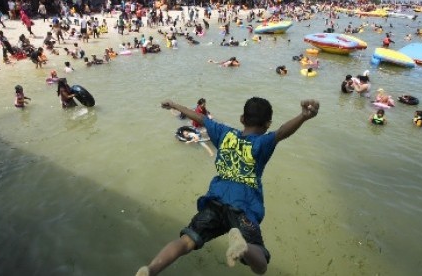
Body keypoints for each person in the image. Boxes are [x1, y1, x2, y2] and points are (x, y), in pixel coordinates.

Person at [135, 97, 320, 276]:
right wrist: (304, 115)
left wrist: (173, 104)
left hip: (215, 200)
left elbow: (200, 118)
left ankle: (151, 269)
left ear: (242, 119)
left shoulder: (224, 133)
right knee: (261, 264)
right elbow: (282, 132)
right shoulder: (263, 143)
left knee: (186, 241)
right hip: (243, 206)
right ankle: (244, 246)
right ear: (267, 124)